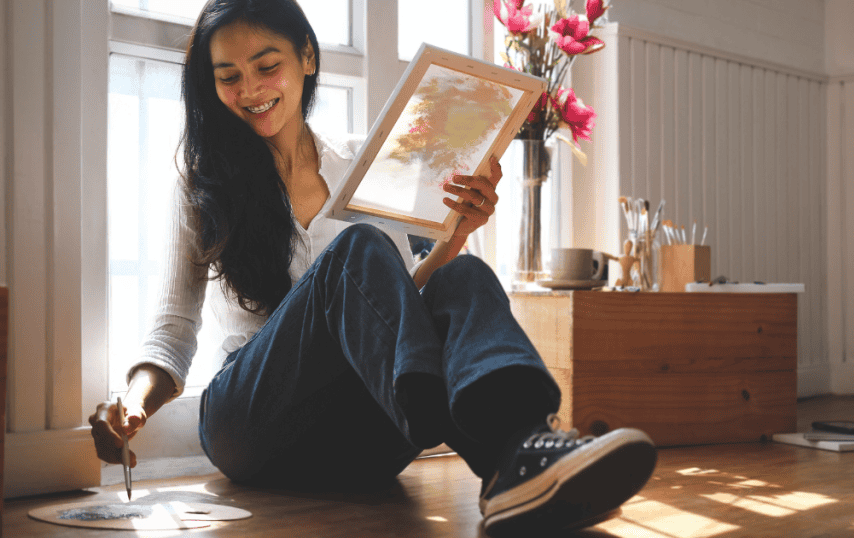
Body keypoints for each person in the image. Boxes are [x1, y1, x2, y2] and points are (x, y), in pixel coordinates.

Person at [88, 0, 656, 534]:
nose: (250, 90)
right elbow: (173, 329)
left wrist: (451, 241)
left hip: (366, 435)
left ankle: (516, 457)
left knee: (464, 277)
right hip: (252, 427)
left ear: (307, 57)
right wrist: (134, 403)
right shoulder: (201, 182)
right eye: (228, 75)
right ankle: (492, 436)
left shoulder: (369, 161)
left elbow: (390, 311)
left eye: (266, 66)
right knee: (355, 251)